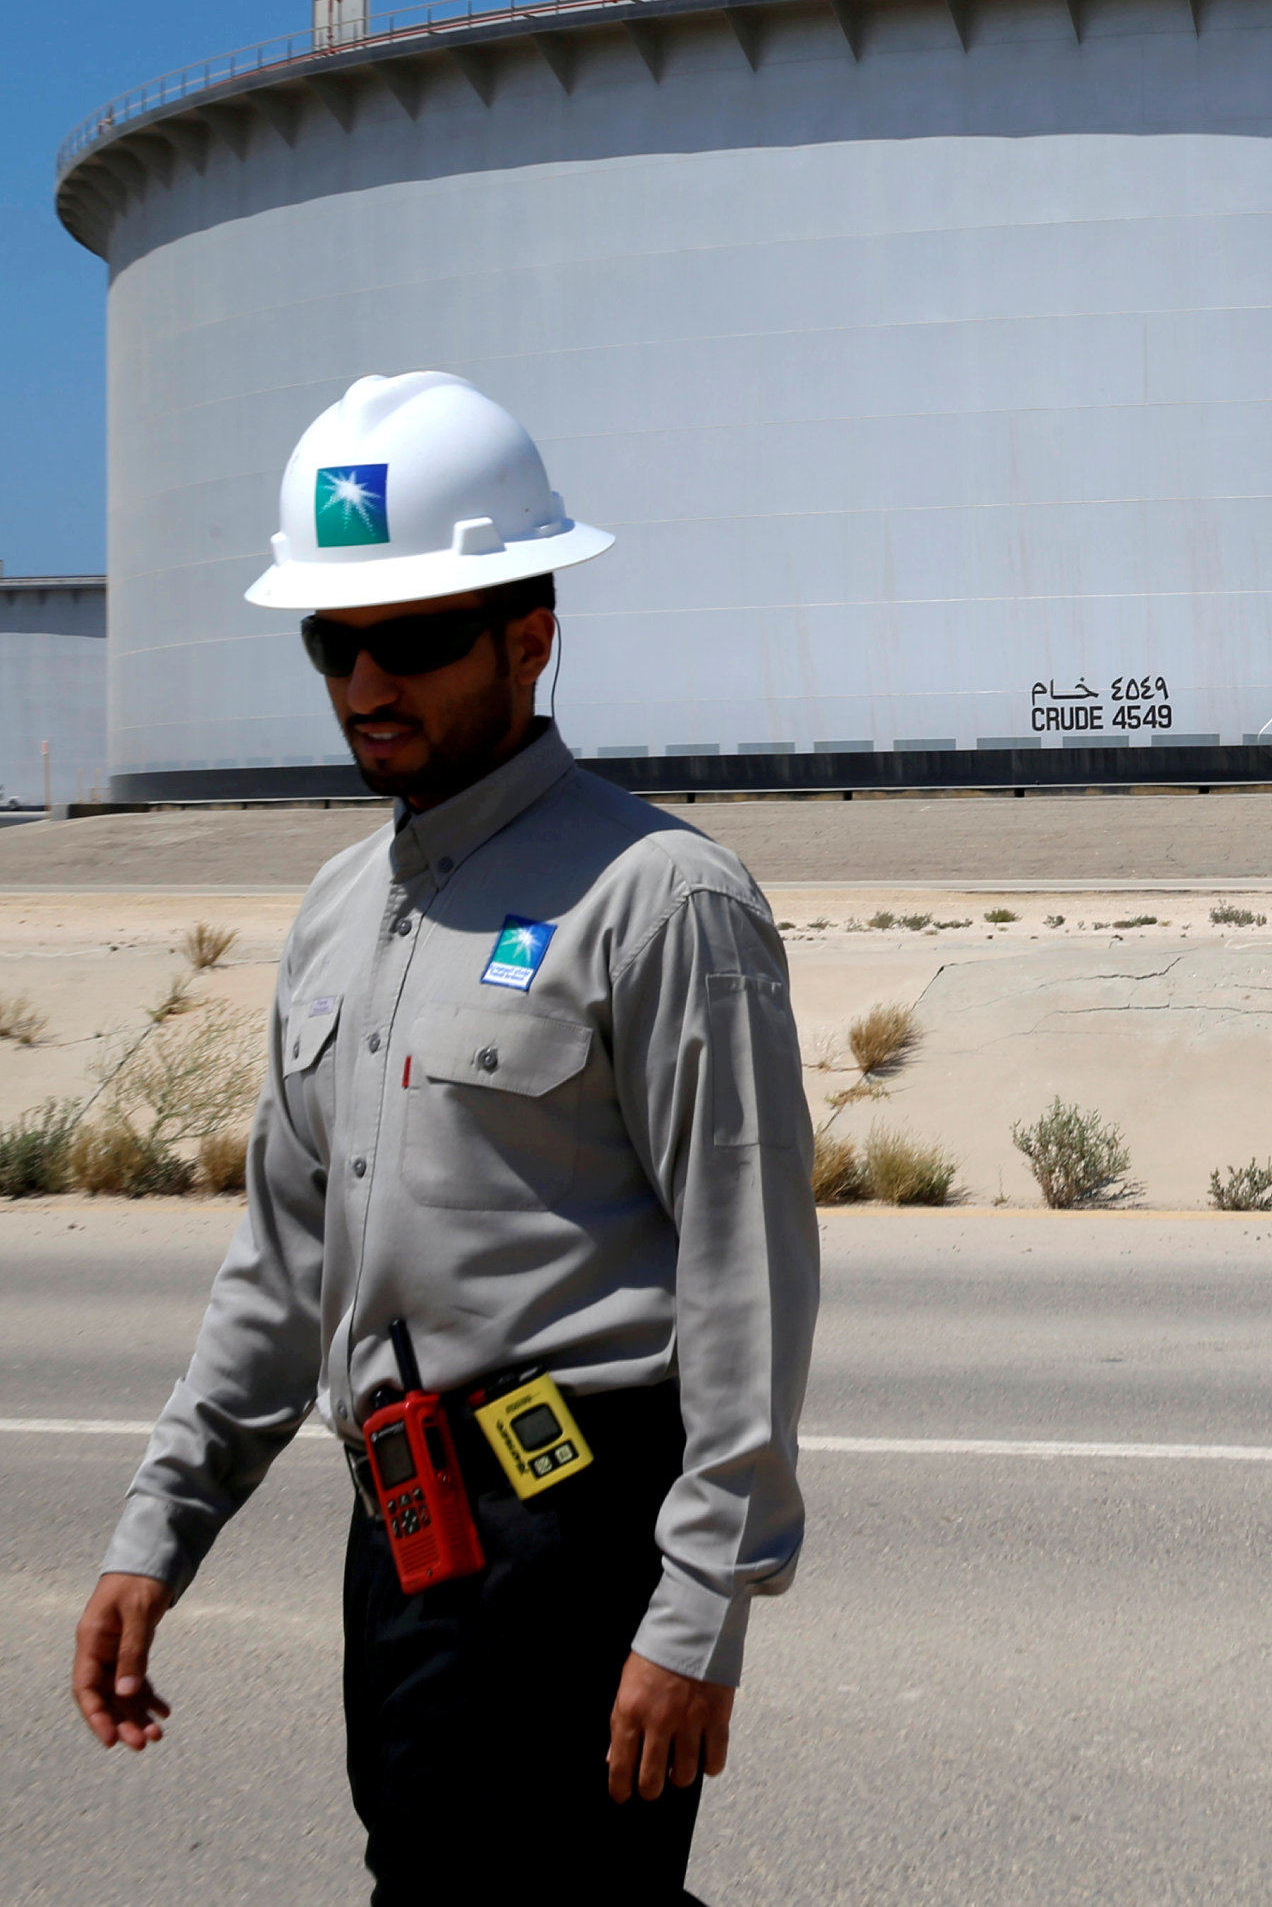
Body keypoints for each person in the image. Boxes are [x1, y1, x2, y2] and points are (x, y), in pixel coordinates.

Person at [68, 371, 820, 1903]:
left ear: (529, 636)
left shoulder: (660, 897)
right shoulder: (342, 912)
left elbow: (748, 1283)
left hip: (578, 1530)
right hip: (406, 1528)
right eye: (332, 641)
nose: (363, 683)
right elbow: (284, 1263)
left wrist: (696, 1614)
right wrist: (163, 1523)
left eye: (410, 637)